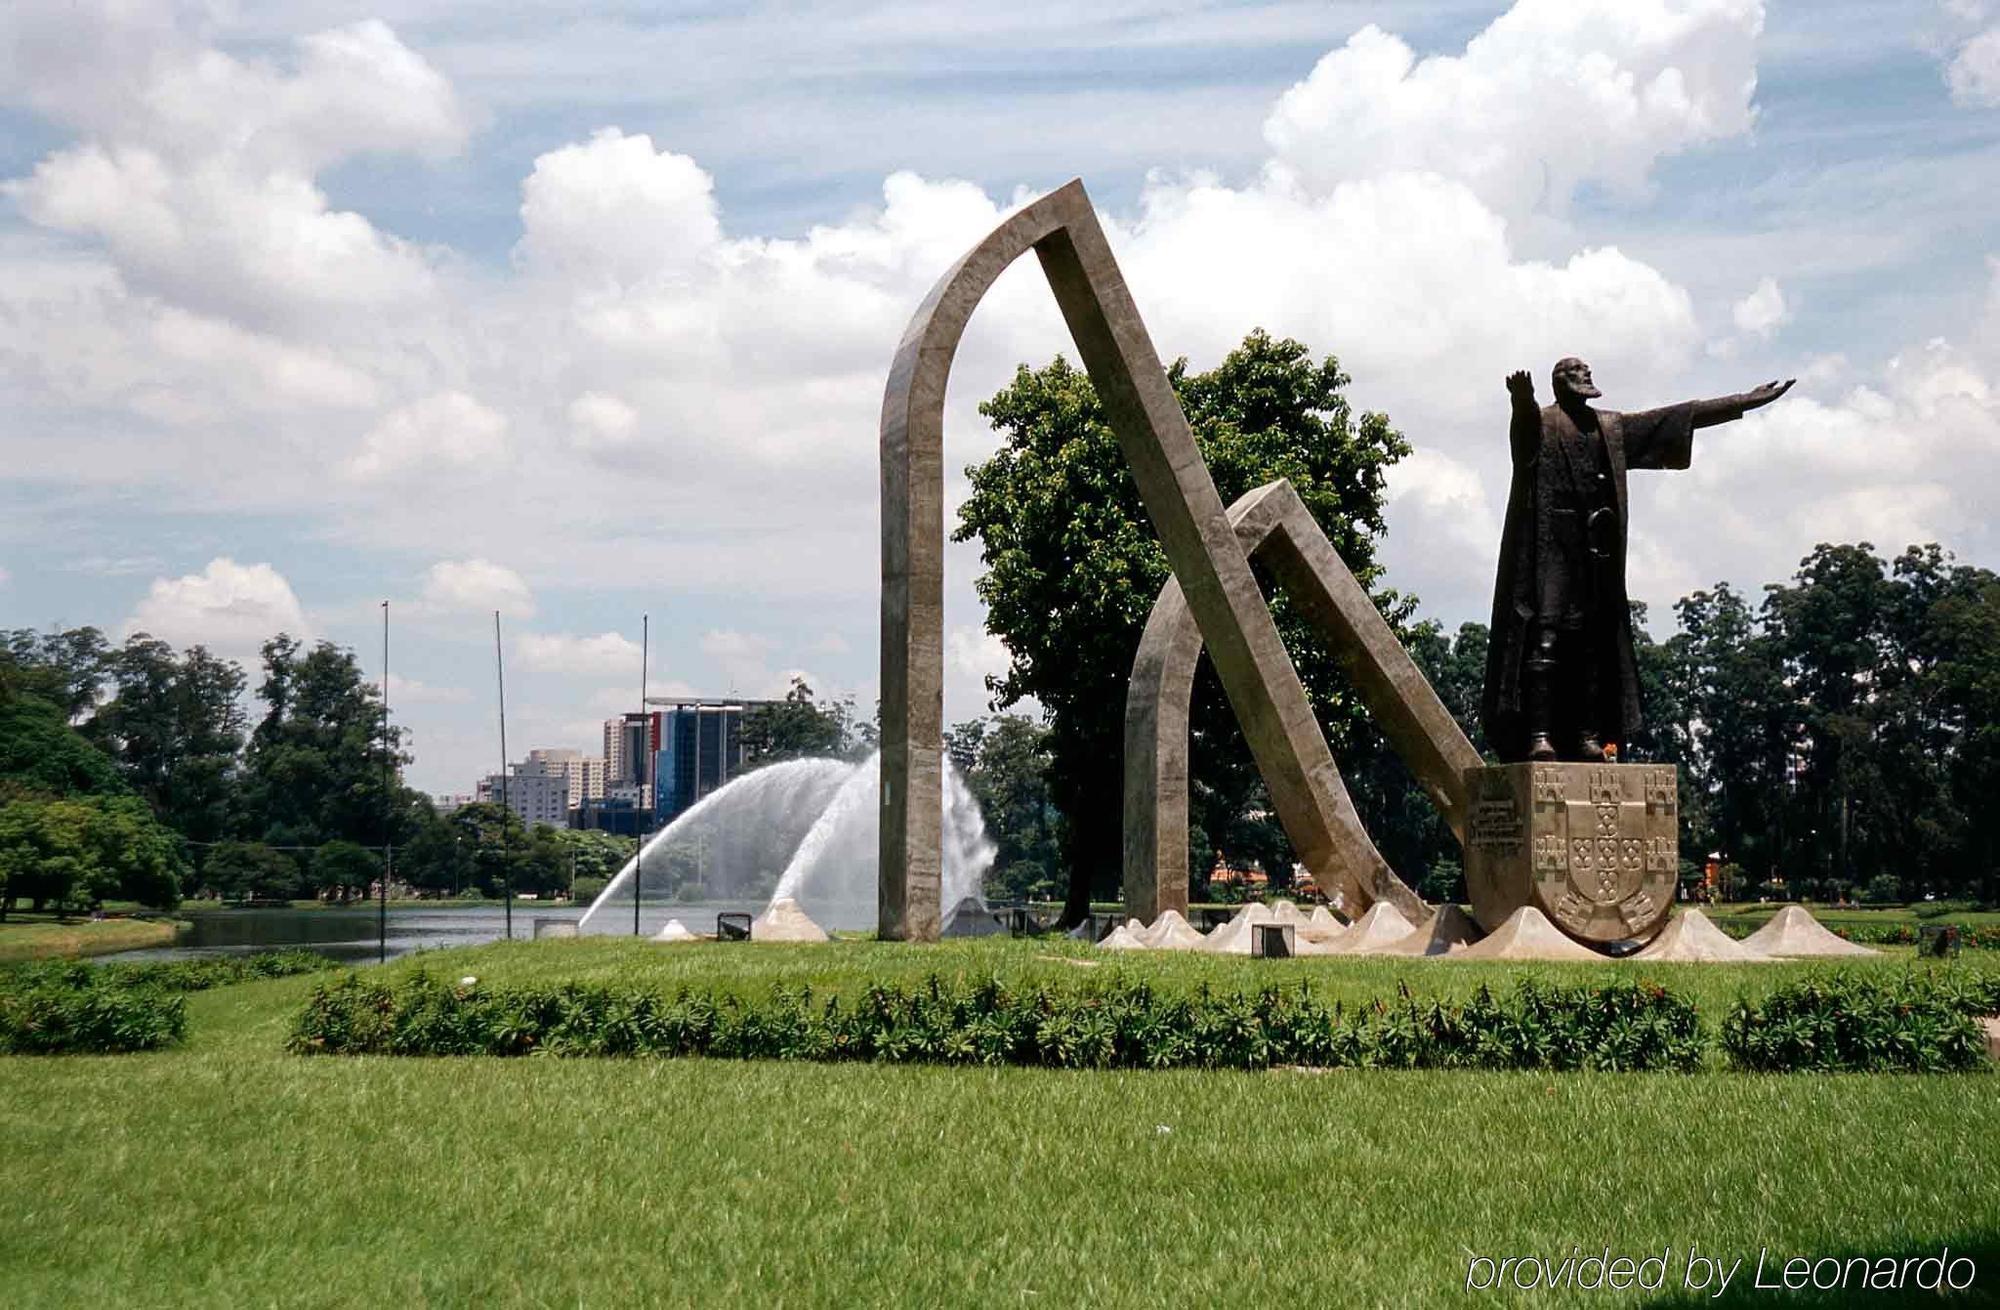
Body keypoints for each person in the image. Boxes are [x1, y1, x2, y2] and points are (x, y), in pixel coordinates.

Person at [1481, 358, 1793, 762]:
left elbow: (1673, 419)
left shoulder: (1608, 428)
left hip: (1593, 552)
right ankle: (1540, 734)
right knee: (1545, 640)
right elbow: (1524, 448)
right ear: (1560, 384)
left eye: (1587, 373)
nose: (1587, 379)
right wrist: (1521, 405)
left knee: (1592, 644)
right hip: (1550, 547)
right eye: (1577, 374)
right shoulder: (1542, 422)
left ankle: (1587, 736)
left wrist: (1742, 402)